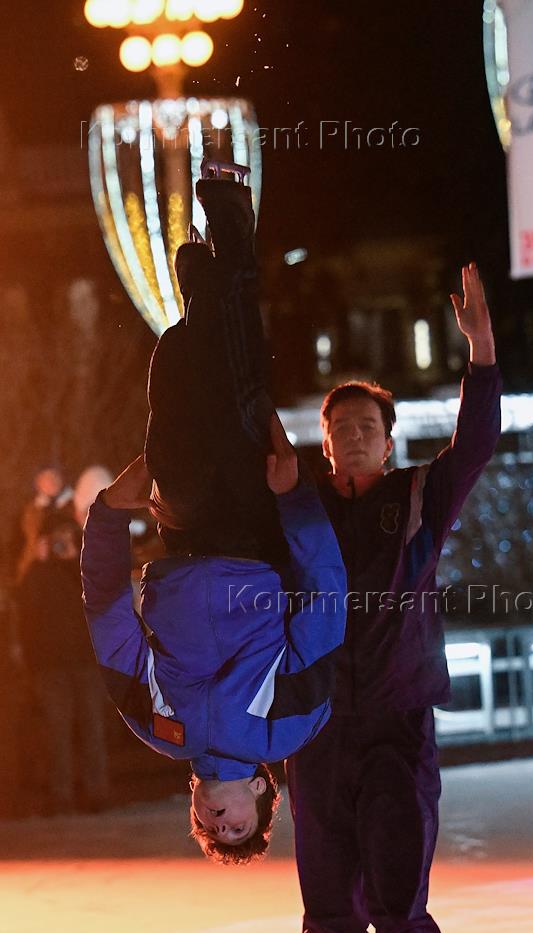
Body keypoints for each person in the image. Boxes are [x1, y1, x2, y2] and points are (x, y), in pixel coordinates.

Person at [285, 263, 501, 933]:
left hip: (398, 730)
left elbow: (476, 443)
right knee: (327, 907)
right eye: (339, 428)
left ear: (388, 439)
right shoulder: (299, 513)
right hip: (316, 737)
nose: (353, 437)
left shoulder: (417, 498)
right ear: (325, 444)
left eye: (367, 427)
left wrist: (480, 353)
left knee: (399, 906)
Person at [80, 164, 346, 862]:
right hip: (256, 533)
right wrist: (295, 497)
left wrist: (108, 517)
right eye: (237, 826)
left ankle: (202, 275)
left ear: (194, 808)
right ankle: (228, 211)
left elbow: (106, 618)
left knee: (173, 365)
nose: (218, 820)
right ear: (262, 792)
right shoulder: (290, 727)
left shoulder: (156, 728)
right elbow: (324, 606)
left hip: (184, 529)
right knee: (238, 381)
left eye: (209, 828)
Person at [17, 510, 110, 815]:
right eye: (55, 538)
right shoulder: (37, 572)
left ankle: (97, 794)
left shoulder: (84, 567)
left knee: (92, 730)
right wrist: (38, 562)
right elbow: (26, 606)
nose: (61, 543)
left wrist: (73, 560)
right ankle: (62, 796)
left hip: (86, 661)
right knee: (57, 733)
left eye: (66, 536)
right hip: (50, 666)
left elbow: (100, 598)